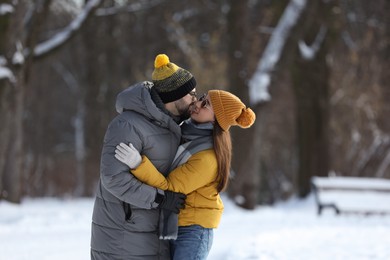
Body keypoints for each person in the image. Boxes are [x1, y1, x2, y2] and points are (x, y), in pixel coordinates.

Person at [115, 90, 256, 259]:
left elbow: (169, 188)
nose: (197, 104)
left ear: (216, 119)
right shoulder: (186, 133)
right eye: (202, 98)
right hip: (176, 223)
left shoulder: (207, 158)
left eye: (206, 105)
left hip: (193, 231)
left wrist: (138, 164)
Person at [91, 54, 198, 260]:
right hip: (123, 237)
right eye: (191, 93)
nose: (195, 98)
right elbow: (113, 178)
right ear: (174, 95)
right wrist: (159, 199)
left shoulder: (173, 125)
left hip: (152, 235)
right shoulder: (128, 126)